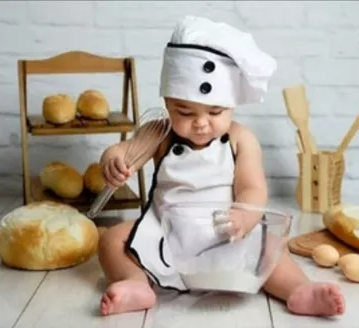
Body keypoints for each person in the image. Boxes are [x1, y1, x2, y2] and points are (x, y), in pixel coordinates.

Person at [97, 16, 345, 317]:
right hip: (167, 234)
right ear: (166, 101)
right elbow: (124, 150)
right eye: (184, 111)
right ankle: (137, 284)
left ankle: (299, 290)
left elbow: (253, 188)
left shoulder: (241, 139)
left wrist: (245, 217)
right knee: (111, 240)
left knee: (272, 249)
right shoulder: (159, 133)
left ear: (233, 105)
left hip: (226, 234)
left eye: (215, 111)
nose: (201, 123)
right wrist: (113, 160)